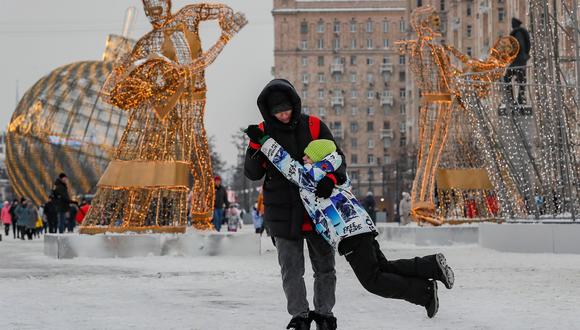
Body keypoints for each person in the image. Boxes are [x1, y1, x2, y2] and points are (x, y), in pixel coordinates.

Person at [245, 129, 455, 320]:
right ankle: (430, 268)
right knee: (383, 268)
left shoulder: (310, 176)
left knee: (373, 281)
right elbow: (334, 176)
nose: (303, 158)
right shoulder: (336, 175)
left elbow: (285, 163)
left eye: (307, 156)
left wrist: (264, 140)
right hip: (361, 227)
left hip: (348, 233)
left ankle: (425, 292)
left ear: (317, 159)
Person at [244, 79, 346, 330]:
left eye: (286, 109)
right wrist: (256, 145)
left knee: (325, 267)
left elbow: (337, 158)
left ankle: (324, 314)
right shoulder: (262, 132)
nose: (283, 115)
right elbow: (252, 173)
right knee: (291, 270)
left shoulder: (313, 126)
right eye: (277, 112)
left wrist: (330, 179)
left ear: (294, 104)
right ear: (268, 111)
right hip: (282, 211)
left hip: (317, 211)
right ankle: (299, 316)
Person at [503, 17, 531, 106]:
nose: (512, 25)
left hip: (518, 61)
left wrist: (511, 53)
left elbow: (519, 46)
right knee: (520, 80)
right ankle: (519, 98)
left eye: (512, 23)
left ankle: (513, 99)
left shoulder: (518, 33)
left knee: (507, 78)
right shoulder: (518, 33)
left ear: (515, 24)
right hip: (520, 60)